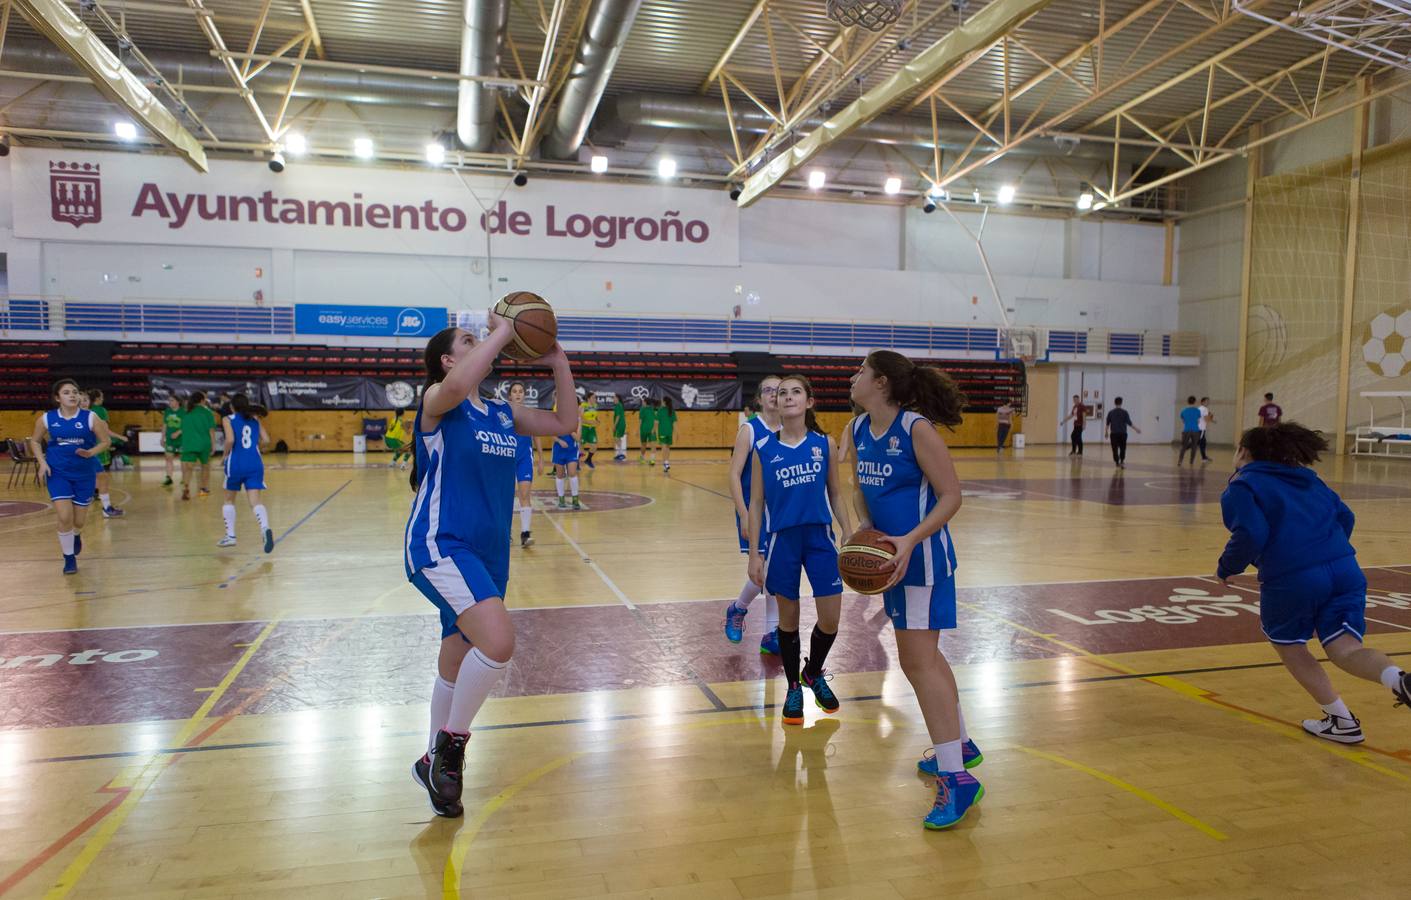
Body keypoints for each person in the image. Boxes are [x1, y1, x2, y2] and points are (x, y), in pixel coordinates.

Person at [405, 317, 577, 818]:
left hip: (488, 555)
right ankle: (451, 749)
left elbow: (565, 422)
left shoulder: (504, 413)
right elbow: (459, 386)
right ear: (447, 360)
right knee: (498, 643)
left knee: (456, 657)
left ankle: (430, 764)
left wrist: (559, 362)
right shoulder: (440, 399)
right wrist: (504, 331)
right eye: (468, 341)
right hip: (441, 544)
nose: (480, 344)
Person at [847, 350, 983, 831]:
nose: (853, 376)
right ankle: (960, 745)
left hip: (920, 562)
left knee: (918, 663)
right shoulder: (860, 428)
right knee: (926, 659)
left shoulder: (915, 428)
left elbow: (952, 495)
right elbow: (861, 487)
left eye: (860, 370)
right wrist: (864, 525)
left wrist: (908, 539)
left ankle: (957, 777)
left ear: (881, 382)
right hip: (891, 564)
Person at [1217, 422, 1411, 744]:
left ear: (1244, 452)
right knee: (1346, 649)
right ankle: (1398, 678)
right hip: (1345, 569)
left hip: (1293, 577)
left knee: (1290, 646)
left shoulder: (1243, 485)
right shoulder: (1310, 479)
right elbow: (1346, 517)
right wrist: (1326, 553)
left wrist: (1227, 567)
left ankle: (1342, 721)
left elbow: (1251, 532)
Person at [746, 375, 851, 729]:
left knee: (831, 619)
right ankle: (794, 687)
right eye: (781, 392)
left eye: (795, 392)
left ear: (808, 402)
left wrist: (849, 530)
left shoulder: (825, 444)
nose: (787, 397)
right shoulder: (765, 450)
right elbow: (757, 503)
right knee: (787, 622)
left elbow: (836, 493)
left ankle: (812, 671)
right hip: (782, 541)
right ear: (774, 403)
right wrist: (754, 554)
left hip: (820, 538)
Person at [724, 376, 783, 656]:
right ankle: (739, 609)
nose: (774, 395)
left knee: (774, 572)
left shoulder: (790, 430)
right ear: (759, 398)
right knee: (763, 572)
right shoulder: (750, 429)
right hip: (754, 511)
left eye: (779, 390)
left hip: (782, 513)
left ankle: (770, 632)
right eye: (768, 390)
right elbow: (734, 474)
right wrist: (743, 513)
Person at [29, 379, 112, 574]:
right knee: (64, 516)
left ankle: (76, 535)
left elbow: (105, 441)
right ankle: (69, 559)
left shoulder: (90, 417)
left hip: (84, 473)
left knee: (79, 521)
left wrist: (91, 453)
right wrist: (42, 463)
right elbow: (34, 441)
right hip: (57, 472)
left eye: (74, 392)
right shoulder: (47, 419)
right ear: (57, 398)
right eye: (66, 392)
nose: (72, 395)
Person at [218, 394, 274, 553]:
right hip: (255, 463)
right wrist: (255, 447)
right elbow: (267, 440)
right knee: (255, 501)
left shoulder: (228, 419)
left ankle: (230, 536)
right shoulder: (255, 419)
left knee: (229, 499)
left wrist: (224, 457)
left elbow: (229, 440)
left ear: (232, 407)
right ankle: (265, 528)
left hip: (236, 462)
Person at [507, 382, 540, 547]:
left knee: (525, 495)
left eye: (521, 391)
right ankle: (505, 532)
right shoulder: (504, 413)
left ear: (524, 395)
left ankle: (525, 534)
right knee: (505, 496)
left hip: (525, 459)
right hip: (507, 458)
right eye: (515, 391)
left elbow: (537, 435)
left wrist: (540, 458)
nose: (518, 394)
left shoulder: (530, 414)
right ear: (510, 395)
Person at [85, 389, 125, 517]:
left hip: (92, 451)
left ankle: (106, 507)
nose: (84, 403)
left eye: (85, 400)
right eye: (81, 400)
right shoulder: (67, 417)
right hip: (75, 454)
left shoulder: (92, 415)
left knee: (102, 477)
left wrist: (107, 442)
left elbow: (105, 431)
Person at [178, 392, 218, 500]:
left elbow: (183, 429)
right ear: (202, 401)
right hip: (204, 443)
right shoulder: (207, 412)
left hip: (189, 443)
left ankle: (186, 488)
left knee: (188, 468)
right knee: (205, 467)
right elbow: (211, 430)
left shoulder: (186, 412)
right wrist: (214, 445)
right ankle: (203, 490)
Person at [1104, 397, 1140, 468]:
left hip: (1114, 434)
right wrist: (1136, 429)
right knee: (1123, 448)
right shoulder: (1125, 412)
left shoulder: (1111, 413)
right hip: (1123, 434)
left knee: (1114, 449)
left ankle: (1117, 462)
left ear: (1115, 403)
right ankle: (1122, 461)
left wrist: (1106, 432)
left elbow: (1107, 424)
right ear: (1121, 403)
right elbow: (1129, 423)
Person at [552, 428, 581, 510]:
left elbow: (578, 438)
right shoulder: (557, 418)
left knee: (572, 473)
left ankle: (575, 499)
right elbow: (552, 434)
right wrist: (559, 441)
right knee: (560, 474)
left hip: (572, 450)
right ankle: (561, 499)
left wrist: (570, 431)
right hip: (559, 449)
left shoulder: (577, 420)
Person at [161, 394, 184, 487]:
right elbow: (165, 425)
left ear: (177, 401)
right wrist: (162, 438)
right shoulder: (167, 411)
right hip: (170, 440)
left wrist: (178, 432)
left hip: (182, 439)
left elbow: (188, 425)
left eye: (172, 400)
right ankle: (169, 478)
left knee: (183, 459)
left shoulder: (184, 412)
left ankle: (184, 478)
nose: (170, 403)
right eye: (169, 401)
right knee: (168, 458)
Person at [1178, 396, 1202, 465]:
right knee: (1194, 447)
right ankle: (1191, 462)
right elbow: (1198, 421)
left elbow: (1183, 421)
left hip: (1186, 430)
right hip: (1195, 430)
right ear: (1194, 402)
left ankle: (1180, 461)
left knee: (1183, 446)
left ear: (1187, 402)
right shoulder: (1197, 411)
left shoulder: (1184, 411)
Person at [658, 396, 677, 473]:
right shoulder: (672, 410)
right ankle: (667, 462)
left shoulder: (660, 410)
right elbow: (674, 423)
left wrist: (653, 430)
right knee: (668, 447)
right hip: (669, 432)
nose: (661, 402)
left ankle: (665, 463)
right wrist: (677, 432)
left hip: (662, 431)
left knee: (663, 447)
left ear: (665, 402)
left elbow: (656, 422)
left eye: (662, 401)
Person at [579, 395, 598, 470]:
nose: (595, 399)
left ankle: (588, 460)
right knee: (580, 447)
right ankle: (577, 463)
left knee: (594, 446)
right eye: (594, 397)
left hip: (592, 429)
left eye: (595, 398)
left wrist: (596, 420)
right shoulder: (583, 405)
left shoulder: (595, 406)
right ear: (589, 398)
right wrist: (589, 422)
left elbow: (594, 416)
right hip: (584, 428)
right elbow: (579, 417)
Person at [638, 398, 658, 465]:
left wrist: (654, 429)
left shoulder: (652, 409)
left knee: (652, 445)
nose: (642, 403)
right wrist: (638, 430)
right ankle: (642, 457)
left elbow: (656, 420)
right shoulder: (642, 409)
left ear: (646, 402)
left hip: (651, 430)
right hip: (644, 430)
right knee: (644, 445)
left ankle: (652, 459)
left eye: (643, 402)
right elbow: (640, 421)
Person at [611, 394, 628, 461]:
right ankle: (619, 454)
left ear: (617, 398)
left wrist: (614, 426)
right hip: (621, 424)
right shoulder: (619, 405)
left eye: (614, 398)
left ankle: (621, 454)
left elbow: (618, 417)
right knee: (617, 438)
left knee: (616, 438)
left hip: (619, 425)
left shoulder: (618, 406)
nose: (613, 399)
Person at [1198, 397, 1215, 462]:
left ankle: (1204, 457)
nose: (1208, 402)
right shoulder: (1205, 409)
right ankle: (1204, 458)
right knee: (1200, 443)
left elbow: (1203, 418)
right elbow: (1206, 419)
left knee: (1202, 443)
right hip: (1201, 428)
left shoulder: (1199, 408)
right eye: (1206, 401)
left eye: (1208, 401)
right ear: (1202, 402)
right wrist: (1211, 417)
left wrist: (1211, 419)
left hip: (1198, 428)